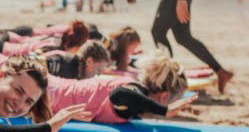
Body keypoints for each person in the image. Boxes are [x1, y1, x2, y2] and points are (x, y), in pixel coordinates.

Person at [47, 49, 196, 123]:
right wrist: (164, 110)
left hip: (51, 87)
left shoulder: (134, 85)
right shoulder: (135, 91)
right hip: (45, 94)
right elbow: (119, 95)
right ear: (164, 97)